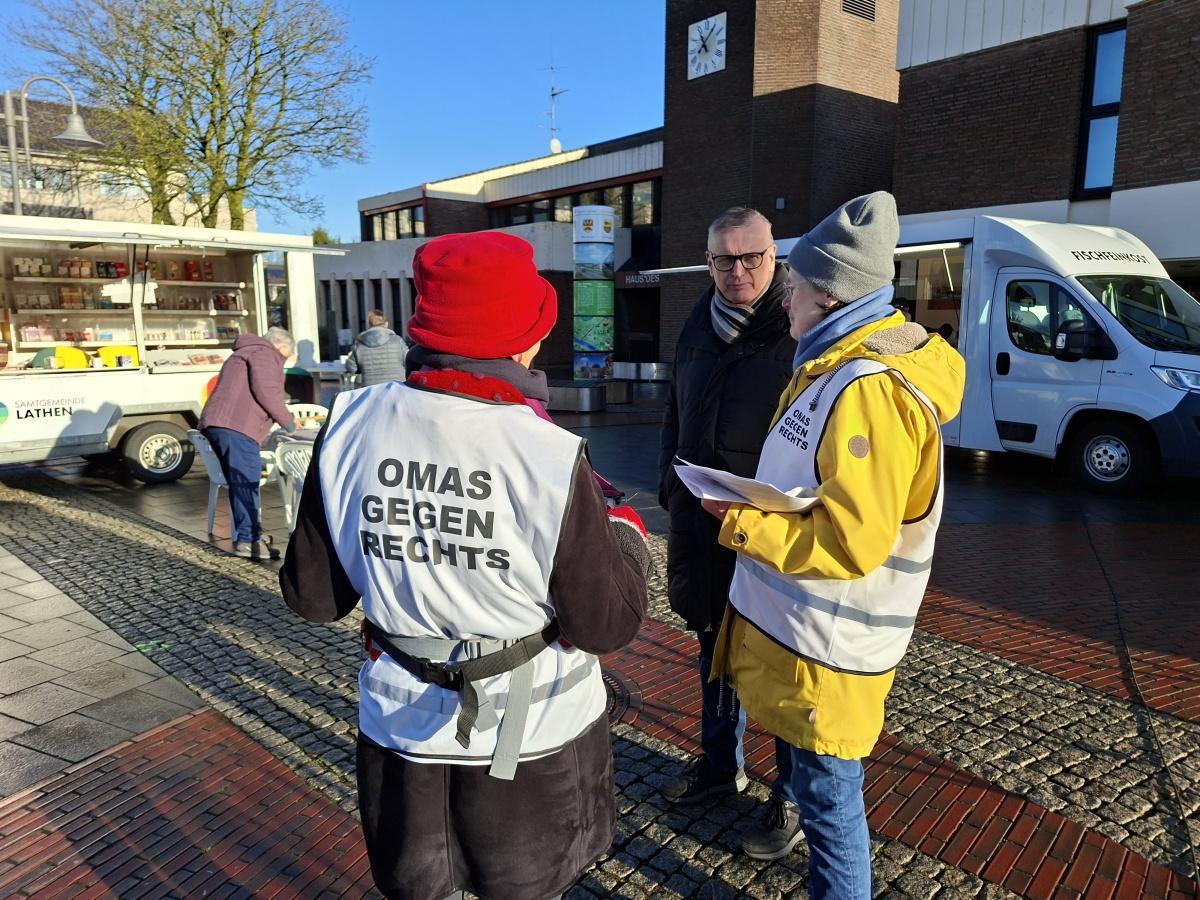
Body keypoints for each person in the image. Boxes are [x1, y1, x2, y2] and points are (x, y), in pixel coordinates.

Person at [279, 230, 650, 900]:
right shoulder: (548, 452)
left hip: (402, 733)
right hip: (532, 747)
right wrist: (624, 533)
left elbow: (312, 597)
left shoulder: (349, 424)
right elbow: (604, 624)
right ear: (525, 338)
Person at [704, 192, 965, 897]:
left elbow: (853, 539)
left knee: (829, 802)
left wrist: (740, 520)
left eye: (793, 287)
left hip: (830, 647)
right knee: (818, 789)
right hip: (805, 640)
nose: (784, 299)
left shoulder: (866, 389)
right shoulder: (830, 366)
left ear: (827, 296)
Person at [657, 207, 796, 808]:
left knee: (781, 660)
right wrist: (669, 483)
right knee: (713, 648)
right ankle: (719, 766)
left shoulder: (798, 327)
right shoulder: (694, 327)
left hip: (770, 529)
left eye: (751, 257)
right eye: (723, 259)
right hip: (700, 520)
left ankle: (790, 795)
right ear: (708, 261)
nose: (737, 270)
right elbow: (675, 414)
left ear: (774, 256)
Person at [199, 327, 297, 560]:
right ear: (282, 346)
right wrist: (290, 424)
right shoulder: (264, 354)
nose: (287, 359)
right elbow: (268, 392)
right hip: (236, 426)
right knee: (246, 483)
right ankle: (248, 540)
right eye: (289, 353)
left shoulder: (246, 351)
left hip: (223, 424)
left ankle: (251, 535)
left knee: (241, 483)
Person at [345, 308, 409, 387]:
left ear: (369, 324)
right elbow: (409, 361)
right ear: (386, 324)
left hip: (370, 389)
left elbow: (351, 367)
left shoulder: (359, 344)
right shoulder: (397, 341)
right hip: (396, 387)